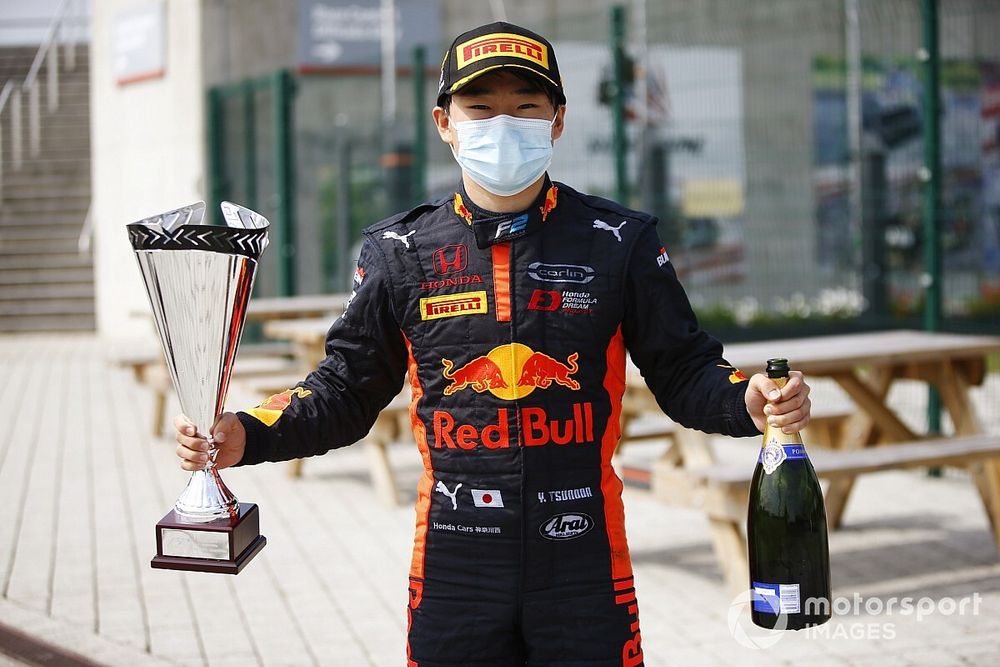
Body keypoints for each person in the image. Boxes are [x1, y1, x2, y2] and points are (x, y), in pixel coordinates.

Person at [174, 22, 811, 667]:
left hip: (584, 562)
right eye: (479, 108)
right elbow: (344, 390)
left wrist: (747, 402)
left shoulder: (619, 240)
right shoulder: (400, 252)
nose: (502, 124)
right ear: (444, 122)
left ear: (557, 121)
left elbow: (683, 369)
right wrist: (245, 433)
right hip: (455, 566)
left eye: (525, 108)